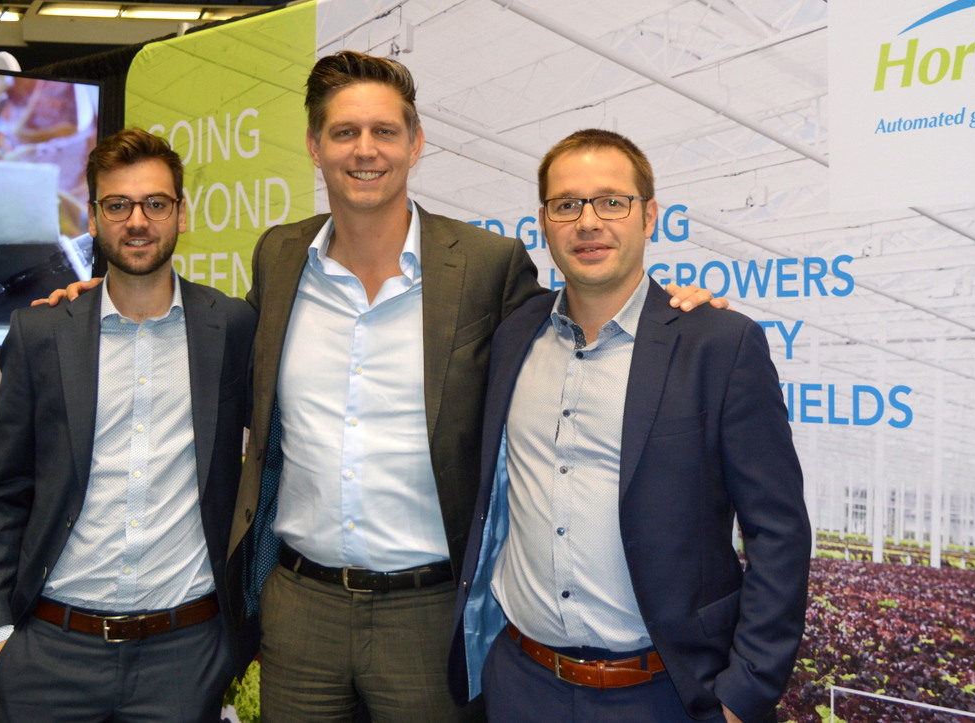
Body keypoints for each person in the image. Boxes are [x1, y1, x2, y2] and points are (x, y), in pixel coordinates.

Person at [226, 52, 723, 722]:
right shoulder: (280, 256)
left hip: (429, 613)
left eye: (384, 131)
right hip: (299, 605)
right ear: (315, 146)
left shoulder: (487, 265)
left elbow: (576, 325)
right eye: (344, 132)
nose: (365, 150)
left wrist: (670, 313)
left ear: (416, 143)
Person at [448, 129, 812, 722]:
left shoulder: (718, 345)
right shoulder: (514, 335)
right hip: (521, 684)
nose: (588, 222)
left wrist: (744, 694)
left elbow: (779, 532)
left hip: (666, 694)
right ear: (543, 222)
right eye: (567, 204)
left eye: (612, 202)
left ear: (649, 217)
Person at [0, 128, 257, 723]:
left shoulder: (231, 327)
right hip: (50, 658)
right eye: (118, 205)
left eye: (155, 203)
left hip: (185, 661)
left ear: (181, 214)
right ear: (94, 219)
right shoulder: (42, 334)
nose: (137, 221)